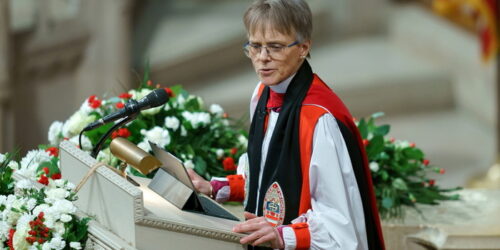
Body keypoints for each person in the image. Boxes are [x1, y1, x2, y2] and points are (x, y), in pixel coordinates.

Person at [187, 0, 385, 249]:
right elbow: (266, 179)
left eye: (275, 47)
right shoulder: (262, 94)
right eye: (255, 46)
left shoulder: (318, 118)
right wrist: (215, 188)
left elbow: (339, 228)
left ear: (303, 47)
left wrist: (283, 236)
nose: (262, 59)